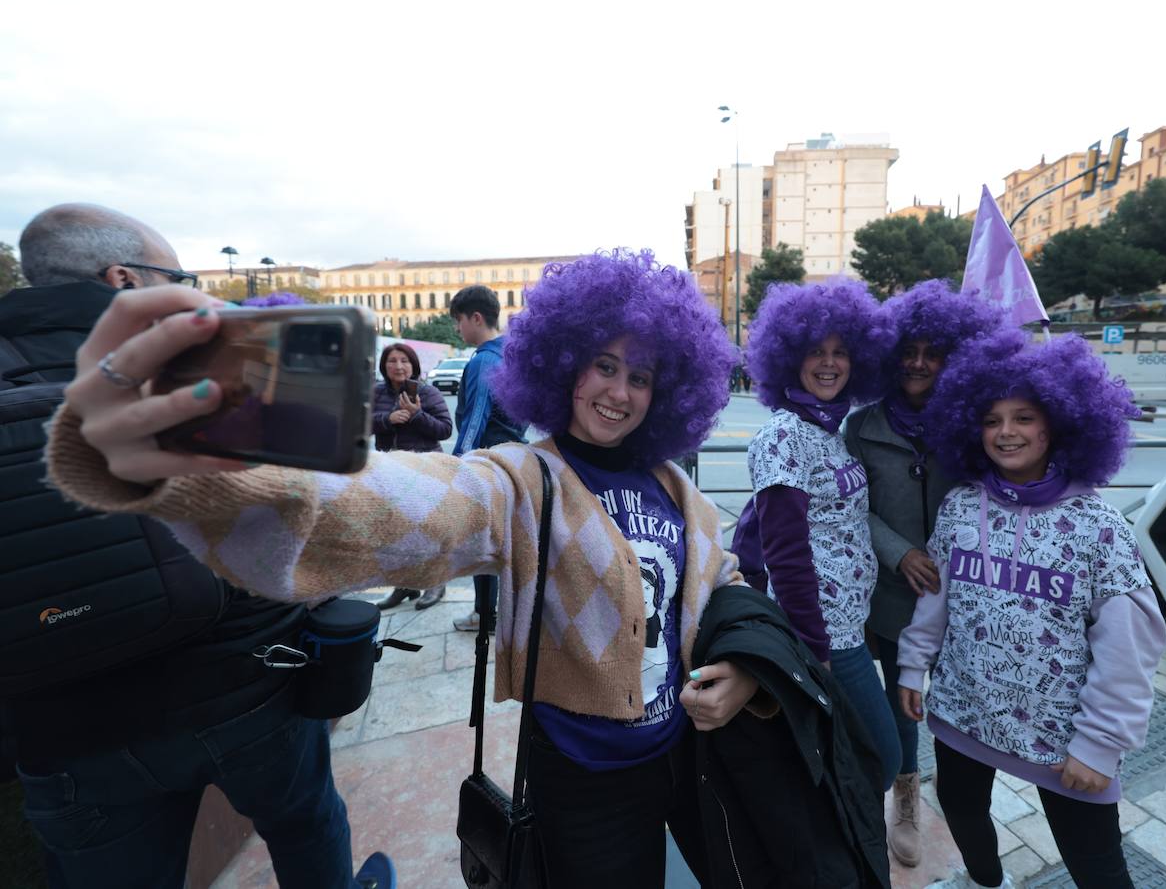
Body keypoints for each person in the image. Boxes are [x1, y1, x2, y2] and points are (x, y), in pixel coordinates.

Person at [42, 249, 793, 889]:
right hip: (582, 774)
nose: (619, 392)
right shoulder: (519, 480)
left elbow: (720, 581)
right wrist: (194, 468)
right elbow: (403, 505)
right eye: (603, 365)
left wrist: (744, 667)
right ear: (564, 367)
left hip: (685, 756)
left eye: (641, 377)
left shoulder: (674, 485)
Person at [0, 203, 392, 889]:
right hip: (245, 692)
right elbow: (303, 520)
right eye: (174, 276)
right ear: (123, 278)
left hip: (66, 732)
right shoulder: (210, 370)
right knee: (308, 829)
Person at [898, 334, 1166, 889]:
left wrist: (1099, 744)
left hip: (1062, 741)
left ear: (1058, 425)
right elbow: (935, 600)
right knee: (965, 817)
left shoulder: (1100, 528)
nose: (1006, 432)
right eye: (992, 419)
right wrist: (912, 665)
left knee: (1098, 867)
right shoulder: (960, 506)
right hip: (961, 715)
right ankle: (985, 881)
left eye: (1024, 416)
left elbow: (1130, 649)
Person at [843, 280, 1015, 869]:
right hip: (889, 594)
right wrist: (898, 551)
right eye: (908, 351)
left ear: (954, 358)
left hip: (963, 596)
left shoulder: (971, 424)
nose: (918, 363)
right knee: (900, 702)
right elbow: (848, 506)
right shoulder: (861, 426)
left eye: (932, 352)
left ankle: (967, 804)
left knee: (958, 701)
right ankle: (906, 797)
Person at [737, 279, 902, 791]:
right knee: (883, 757)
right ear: (789, 359)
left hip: (849, 627)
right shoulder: (783, 436)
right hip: (823, 635)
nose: (829, 363)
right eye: (815, 352)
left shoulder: (831, 432)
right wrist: (816, 648)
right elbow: (785, 554)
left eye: (840, 352)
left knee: (839, 756)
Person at [447, 285, 527, 631]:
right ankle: (503, 614)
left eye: (458, 321)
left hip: (486, 464)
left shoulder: (484, 360)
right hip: (513, 461)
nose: (457, 329)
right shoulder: (513, 356)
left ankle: (485, 616)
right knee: (506, 543)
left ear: (476, 318)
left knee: (483, 545)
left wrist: (456, 468)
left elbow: (476, 417)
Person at [372, 341, 454, 610]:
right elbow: (357, 422)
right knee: (396, 531)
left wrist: (417, 415)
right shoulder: (376, 392)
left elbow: (445, 429)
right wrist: (387, 419)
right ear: (384, 366)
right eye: (392, 360)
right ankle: (404, 586)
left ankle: (435, 584)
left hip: (424, 471)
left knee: (429, 530)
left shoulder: (427, 393)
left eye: (404, 360)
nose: (398, 366)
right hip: (389, 471)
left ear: (414, 365)